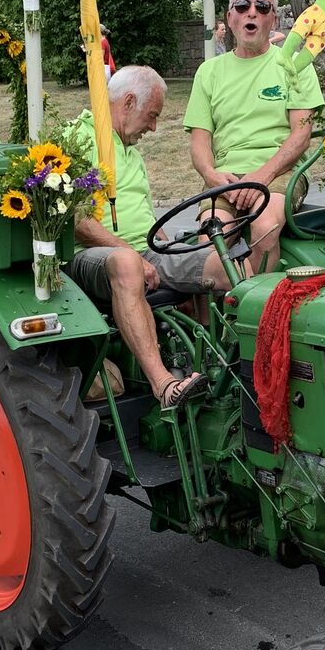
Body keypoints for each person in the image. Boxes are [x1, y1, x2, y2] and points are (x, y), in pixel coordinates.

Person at [68, 66, 217, 409]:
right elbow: (79, 222)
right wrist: (130, 253)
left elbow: (149, 220)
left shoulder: (131, 151)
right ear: (129, 101)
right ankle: (163, 385)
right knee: (126, 263)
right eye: (151, 116)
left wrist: (171, 250)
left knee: (224, 260)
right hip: (92, 257)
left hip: (143, 252)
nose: (153, 127)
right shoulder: (78, 139)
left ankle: (217, 367)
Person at [183, 0, 321, 275]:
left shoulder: (294, 65)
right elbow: (199, 142)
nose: (252, 13)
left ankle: (250, 312)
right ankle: (217, 316)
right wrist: (212, 175)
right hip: (226, 178)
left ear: (273, 19)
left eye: (262, 7)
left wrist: (261, 176)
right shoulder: (209, 72)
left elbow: (301, 135)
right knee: (209, 242)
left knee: (264, 229)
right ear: (230, 17)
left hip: (278, 173)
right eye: (243, 6)